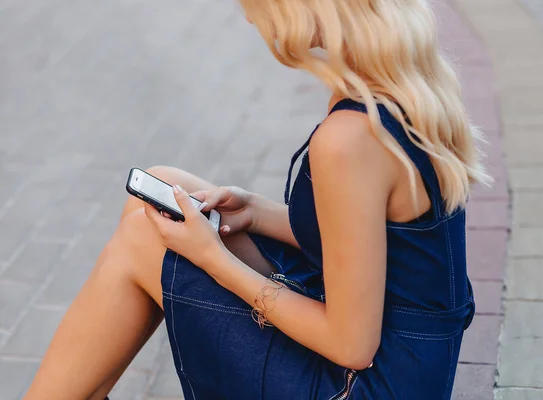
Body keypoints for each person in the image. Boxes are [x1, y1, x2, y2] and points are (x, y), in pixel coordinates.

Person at [25, 0, 489, 399]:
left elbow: (352, 346)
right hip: (406, 362)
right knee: (162, 186)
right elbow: (380, 242)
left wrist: (214, 260)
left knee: (140, 240)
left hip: (361, 384)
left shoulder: (350, 137)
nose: (250, 20)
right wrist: (255, 211)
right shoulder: (402, 81)